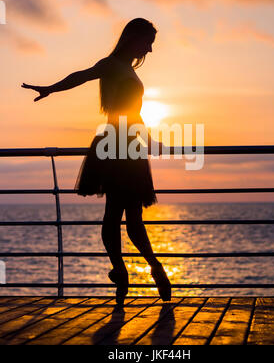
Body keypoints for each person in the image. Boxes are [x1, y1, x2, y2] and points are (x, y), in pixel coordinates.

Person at [21, 18, 172, 306]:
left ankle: (128, 271)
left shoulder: (124, 68)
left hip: (126, 141)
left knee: (119, 216)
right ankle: (148, 269)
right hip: (120, 142)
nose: (150, 50)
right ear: (133, 39)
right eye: (148, 42)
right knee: (122, 216)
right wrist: (50, 88)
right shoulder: (112, 64)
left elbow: (131, 111)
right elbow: (80, 76)